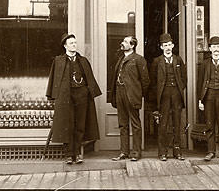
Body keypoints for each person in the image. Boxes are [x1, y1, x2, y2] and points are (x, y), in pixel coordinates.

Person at [45, 33, 101, 164]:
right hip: (66, 97)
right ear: (65, 46)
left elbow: (90, 79)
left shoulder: (83, 61)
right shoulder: (58, 61)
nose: (74, 45)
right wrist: (54, 96)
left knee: (80, 124)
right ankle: (69, 154)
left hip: (81, 96)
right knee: (67, 124)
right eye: (71, 43)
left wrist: (87, 91)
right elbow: (54, 79)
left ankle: (78, 153)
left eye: (75, 43)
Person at [108, 36, 149, 161]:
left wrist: (137, 94)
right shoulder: (120, 58)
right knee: (122, 124)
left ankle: (136, 153)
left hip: (131, 95)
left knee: (135, 124)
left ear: (132, 45)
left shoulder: (139, 59)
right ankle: (124, 152)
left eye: (125, 42)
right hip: (120, 93)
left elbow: (145, 81)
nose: (122, 43)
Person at [150, 33, 187, 161]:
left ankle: (177, 151)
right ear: (161, 47)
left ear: (173, 45)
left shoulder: (178, 60)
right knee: (163, 124)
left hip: (176, 95)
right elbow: (153, 82)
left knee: (177, 124)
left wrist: (178, 89)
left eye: (169, 45)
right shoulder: (157, 61)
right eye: (164, 45)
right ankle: (163, 152)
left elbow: (184, 79)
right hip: (163, 96)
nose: (167, 47)